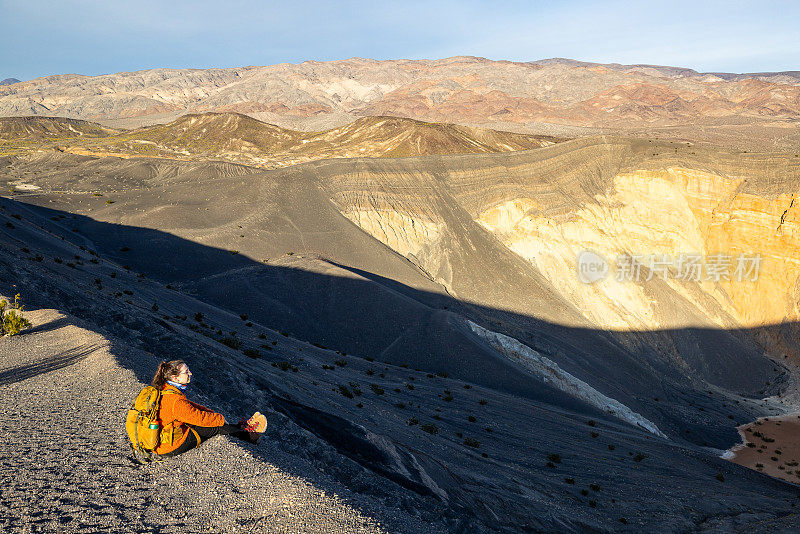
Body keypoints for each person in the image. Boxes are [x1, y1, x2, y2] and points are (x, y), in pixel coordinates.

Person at [150, 359, 265, 457]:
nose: (190, 373)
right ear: (176, 378)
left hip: (165, 438)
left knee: (209, 423)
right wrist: (219, 419)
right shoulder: (175, 400)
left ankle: (239, 428)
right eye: (186, 372)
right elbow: (197, 417)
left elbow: (190, 406)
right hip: (169, 446)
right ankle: (249, 436)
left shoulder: (166, 390)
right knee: (214, 428)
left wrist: (209, 412)